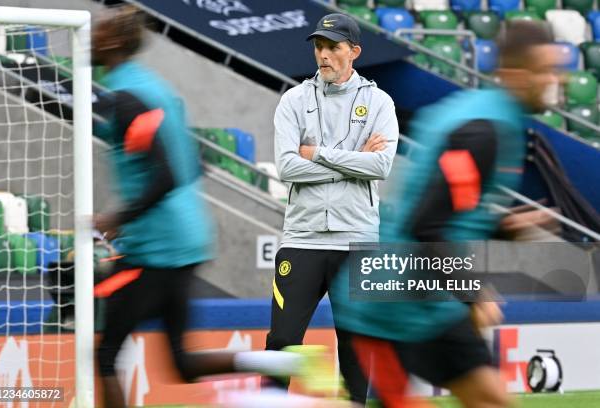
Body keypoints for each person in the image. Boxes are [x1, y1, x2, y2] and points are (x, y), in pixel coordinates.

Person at [91, 6, 332, 407]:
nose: (90, 38)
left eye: (97, 32)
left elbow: (165, 174)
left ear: (113, 42)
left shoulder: (129, 96)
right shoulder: (155, 89)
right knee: (180, 363)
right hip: (186, 239)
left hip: (157, 248)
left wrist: (116, 218)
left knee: (103, 354)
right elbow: (192, 160)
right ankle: (283, 362)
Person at [330, 21, 564, 408]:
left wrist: (503, 226)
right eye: (545, 71)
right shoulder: (483, 130)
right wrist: (475, 295)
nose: (556, 81)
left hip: (429, 300)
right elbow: (427, 224)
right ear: (514, 75)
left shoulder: (485, 116)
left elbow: (446, 207)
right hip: (387, 307)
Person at [268, 12, 399, 403]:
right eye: (319, 47)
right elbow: (287, 167)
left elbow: (381, 166)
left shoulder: (379, 101)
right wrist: (350, 162)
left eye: (333, 47)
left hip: (358, 241)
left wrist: (319, 155)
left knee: (358, 344)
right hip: (302, 239)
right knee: (283, 341)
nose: (323, 55)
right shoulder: (293, 99)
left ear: (353, 51)